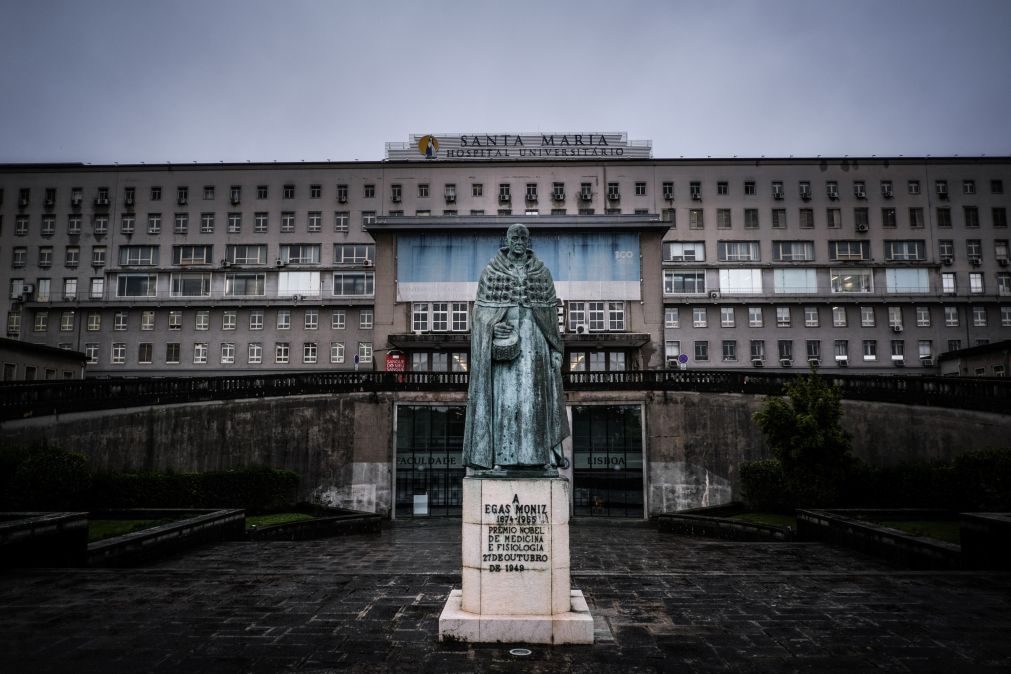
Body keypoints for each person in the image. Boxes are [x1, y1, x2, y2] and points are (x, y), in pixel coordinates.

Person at [462, 224, 569, 472]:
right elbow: (479, 313)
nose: (519, 240)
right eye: (515, 237)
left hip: (537, 344)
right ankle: (503, 459)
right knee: (505, 403)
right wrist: (491, 328)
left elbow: (551, 316)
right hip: (505, 347)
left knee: (536, 404)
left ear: (528, 241)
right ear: (507, 240)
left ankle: (538, 458)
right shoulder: (491, 271)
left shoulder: (542, 272)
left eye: (523, 237)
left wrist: (555, 350)